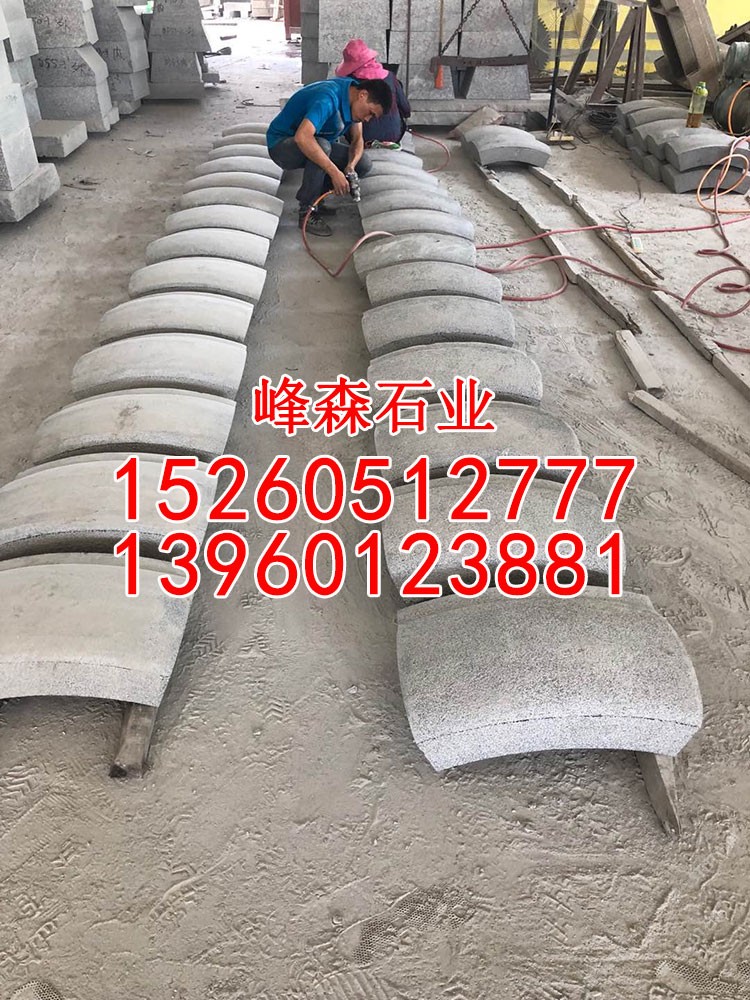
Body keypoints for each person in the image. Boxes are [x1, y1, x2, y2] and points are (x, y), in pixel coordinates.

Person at [266, 75, 392, 237]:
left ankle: (318, 199)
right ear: (363, 95)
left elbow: (357, 140)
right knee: (322, 146)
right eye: (370, 113)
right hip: (282, 146)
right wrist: (334, 173)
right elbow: (302, 137)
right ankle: (307, 211)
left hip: (314, 143)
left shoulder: (353, 96)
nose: (367, 119)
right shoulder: (327, 99)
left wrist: (350, 167)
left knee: (363, 163)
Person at [334, 39, 411, 146]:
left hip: (361, 138)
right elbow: (406, 110)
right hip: (393, 136)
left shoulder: (349, 84)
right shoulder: (390, 77)